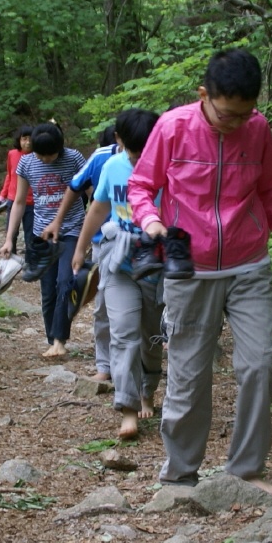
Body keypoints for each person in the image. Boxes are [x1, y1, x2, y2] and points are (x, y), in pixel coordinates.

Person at [128, 48, 272, 496]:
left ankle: (245, 473)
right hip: (191, 269)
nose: (235, 124)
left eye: (244, 116)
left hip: (249, 264)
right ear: (204, 95)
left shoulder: (257, 128)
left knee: (260, 366)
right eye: (227, 115)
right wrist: (150, 220)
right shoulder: (173, 127)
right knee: (188, 376)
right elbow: (141, 185)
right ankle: (180, 476)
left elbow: (269, 189)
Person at [73, 107, 163, 441]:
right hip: (119, 260)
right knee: (124, 333)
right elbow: (98, 207)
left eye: (147, 150)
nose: (140, 158)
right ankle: (127, 408)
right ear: (119, 140)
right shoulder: (112, 166)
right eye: (134, 151)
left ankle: (147, 391)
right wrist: (81, 248)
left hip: (157, 264)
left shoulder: (171, 168)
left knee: (152, 337)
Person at [0, 122, 85, 358]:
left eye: (51, 155)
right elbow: (18, 202)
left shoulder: (74, 158)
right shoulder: (26, 163)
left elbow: (90, 192)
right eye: (41, 155)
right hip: (41, 234)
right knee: (47, 291)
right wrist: (9, 239)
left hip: (72, 230)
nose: (46, 160)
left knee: (65, 283)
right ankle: (52, 339)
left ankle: (60, 340)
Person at [50, 125, 121, 383]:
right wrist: (61, 225)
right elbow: (76, 186)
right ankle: (104, 365)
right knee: (102, 305)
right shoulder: (103, 157)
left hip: (145, 241)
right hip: (105, 240)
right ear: (118, 139)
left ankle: (138, 371)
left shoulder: (155, 154)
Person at [0, 124, 34, 247]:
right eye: (24, 139)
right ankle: (10, 258)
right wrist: (2, 195)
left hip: (32, 202)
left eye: (30, 139)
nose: (28, 142)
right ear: (19, 140)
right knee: (11, 233)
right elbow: (9, 175)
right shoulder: (12, 154)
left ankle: (30, 263)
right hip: (13, 199)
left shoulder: (38, 156)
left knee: (30, 235)